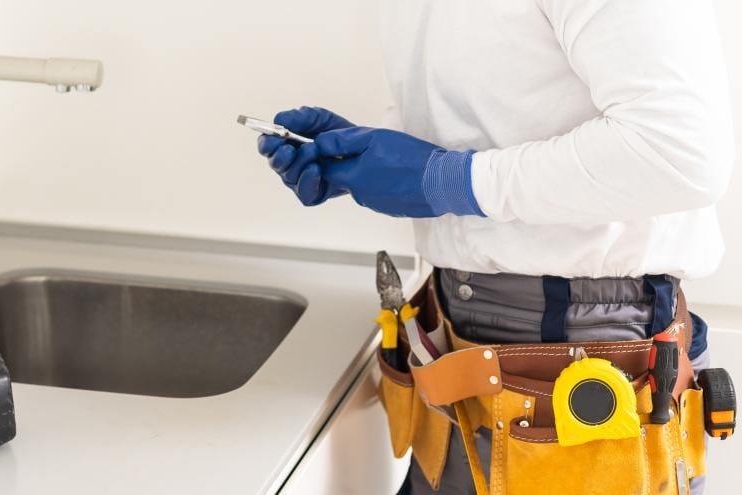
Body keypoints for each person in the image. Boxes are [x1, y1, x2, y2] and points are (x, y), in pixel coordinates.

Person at [253, 0, 734, 493]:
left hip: (586, 347)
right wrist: (369, 159)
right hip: (456, 342)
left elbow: (678, 153)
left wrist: (447, 180)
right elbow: (497, 111)